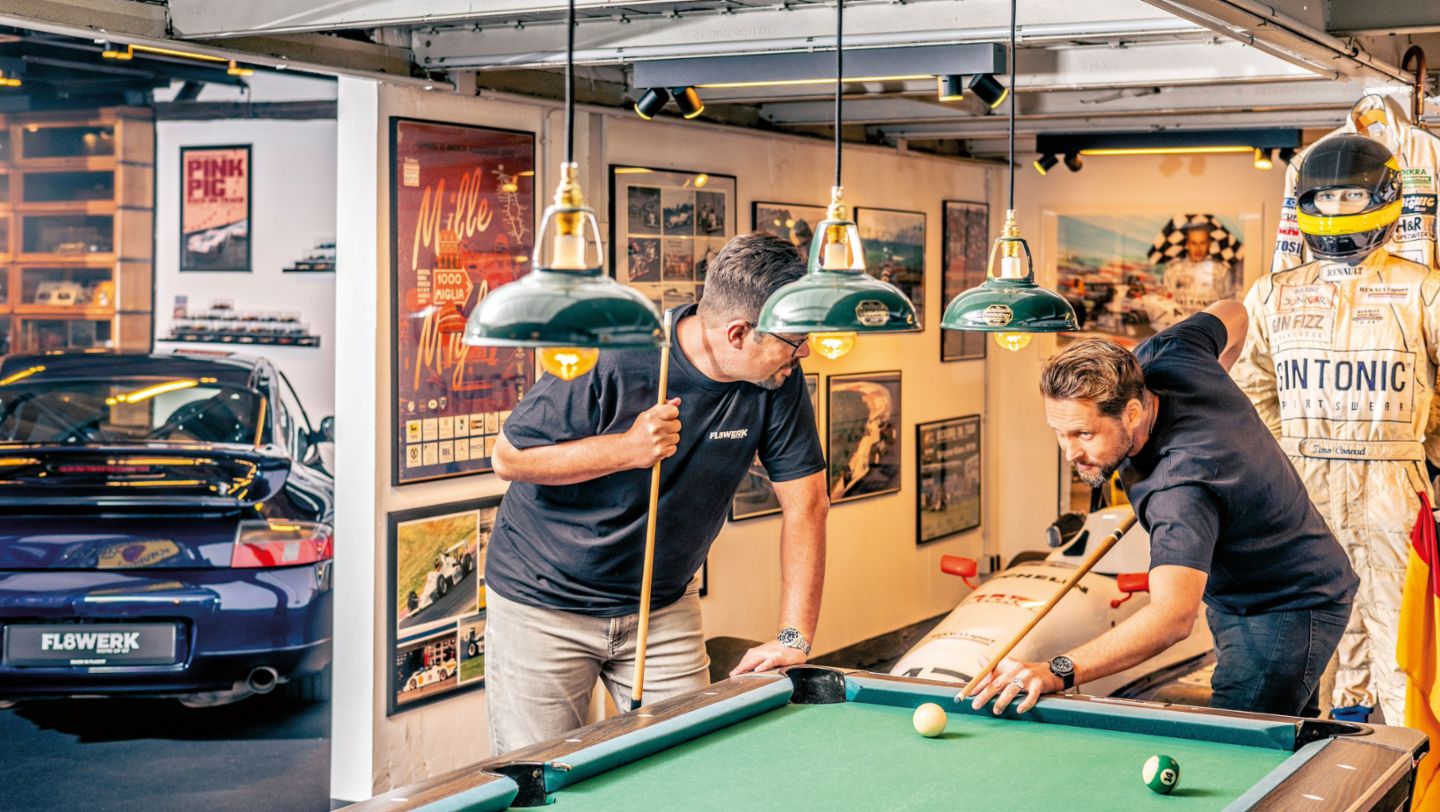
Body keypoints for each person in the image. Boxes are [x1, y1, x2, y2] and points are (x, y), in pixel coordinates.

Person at [483, 232, 829, 754]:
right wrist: (625, 450)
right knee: (544, 775)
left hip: (660, 603)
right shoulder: (617, 353)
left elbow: (807, 504)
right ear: (738, 334)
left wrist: (793, 637)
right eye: (794, 340)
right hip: (545, 603)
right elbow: (508, 458)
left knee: (691, 760)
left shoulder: (776, 378)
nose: (804, 352)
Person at [966, 300, 1358, 718]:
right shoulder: (1168, 353)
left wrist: (1057, 670)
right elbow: (1234, 312)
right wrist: (1215, 396)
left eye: (1083, 434)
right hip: (1255, 585)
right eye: (1060, 434)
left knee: (1234, 748)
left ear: (1133, 412)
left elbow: (1171, 618)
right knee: (1286, 731)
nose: (1070, 453)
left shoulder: (1181, 487)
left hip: (1286, 605)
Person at [1232, 134, 1440, 725]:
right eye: (1328, 198)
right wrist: (1289, 458)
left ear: (1383, 198)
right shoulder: (1272, 293)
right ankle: (1326, 771)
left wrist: (1422, 443)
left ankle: (1414, 780)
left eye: (1352, 197)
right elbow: (1254, 393)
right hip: (1302, 489)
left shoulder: (1424, 288)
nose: (1339, 209)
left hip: (1392, 489)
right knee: (1312, 639)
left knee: (1403, 643)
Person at [1163, 222, 1233, 317]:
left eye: (1202, 243)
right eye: (1193, 243)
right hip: (1178, 327)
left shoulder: (1222, 272)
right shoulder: (1173, 271)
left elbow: (1229, 305)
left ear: (1209, 244)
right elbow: (1166, 303)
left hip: (1208, 328)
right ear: (1187, 244)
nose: (1198, 249)